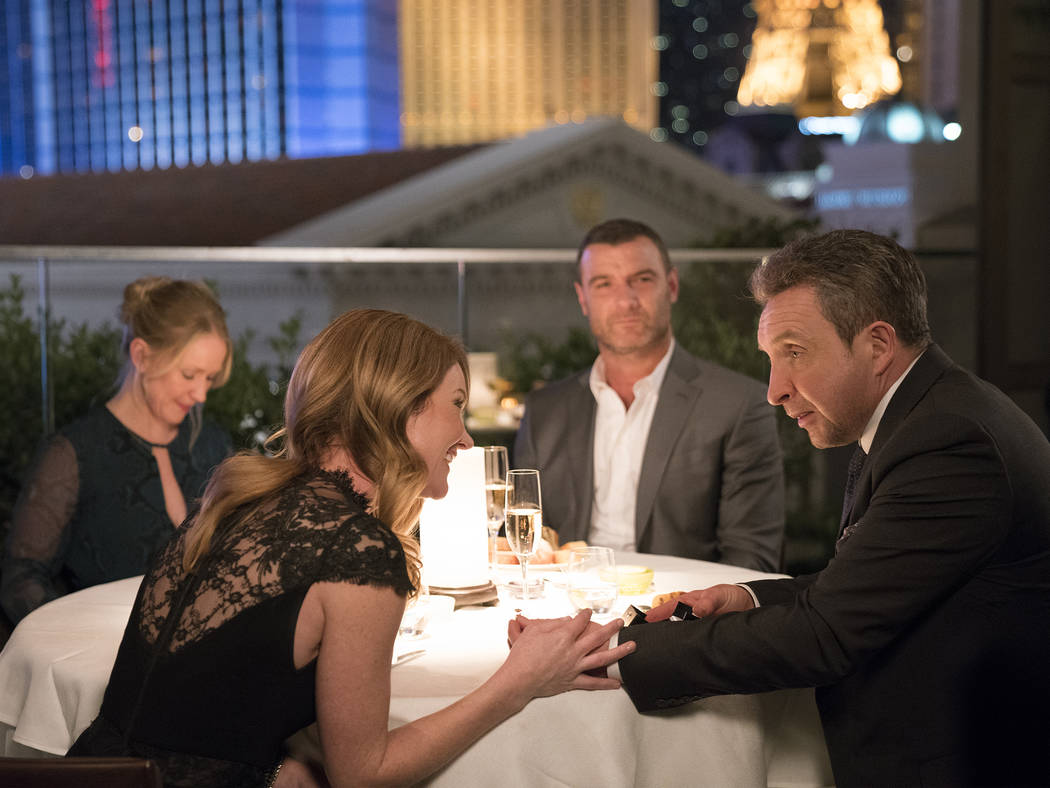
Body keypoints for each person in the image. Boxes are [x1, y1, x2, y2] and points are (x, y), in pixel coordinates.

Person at [68, 309, 633, 788]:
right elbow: (363, 774)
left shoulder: (237, 502)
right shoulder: (356, 548)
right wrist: (519, 682)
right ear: (401, 407)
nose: (465, 437)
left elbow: (211, 696)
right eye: (456, 404)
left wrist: (277, 762)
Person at [589, 229, 1050, 787]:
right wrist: (746, 596)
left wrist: (615, 649)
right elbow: (867, 584)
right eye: (770, 359)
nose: (774, 390)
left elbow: (825, 634)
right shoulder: (925, 414)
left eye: (795, 353)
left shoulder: (949, 442)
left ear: (878, 345)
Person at [514, 218, 784, 571]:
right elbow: (525, 546)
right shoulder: (544, 411)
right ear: (583, 298)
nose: (625, 301)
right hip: (570, 596)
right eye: (603, 284)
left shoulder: (737, 404)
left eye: (641, 279)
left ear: (671, 286)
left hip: (681, 600)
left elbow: (752, 559)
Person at [1, 277, 233, 624]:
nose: (201, 395)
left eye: (209, 378)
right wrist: (86, 637)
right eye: (189, 375)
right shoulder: (75, 453)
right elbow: (19, 581)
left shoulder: (213, 444)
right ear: (142, 356)